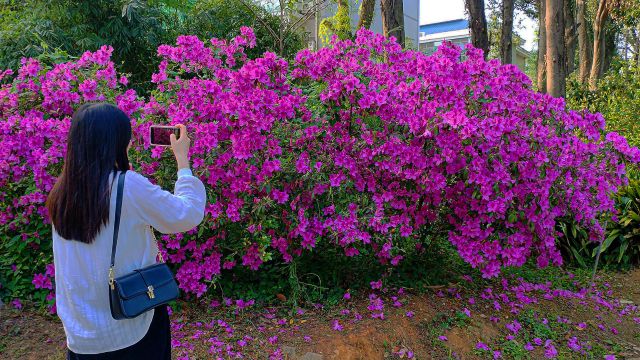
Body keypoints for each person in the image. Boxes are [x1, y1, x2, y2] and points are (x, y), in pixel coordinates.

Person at [46, 103, 206, 359]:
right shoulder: (126, 186)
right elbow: (186, 214)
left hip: (81, 331)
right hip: (129, 321)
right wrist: (182, 160)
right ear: (116, 142)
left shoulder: (63, 190)